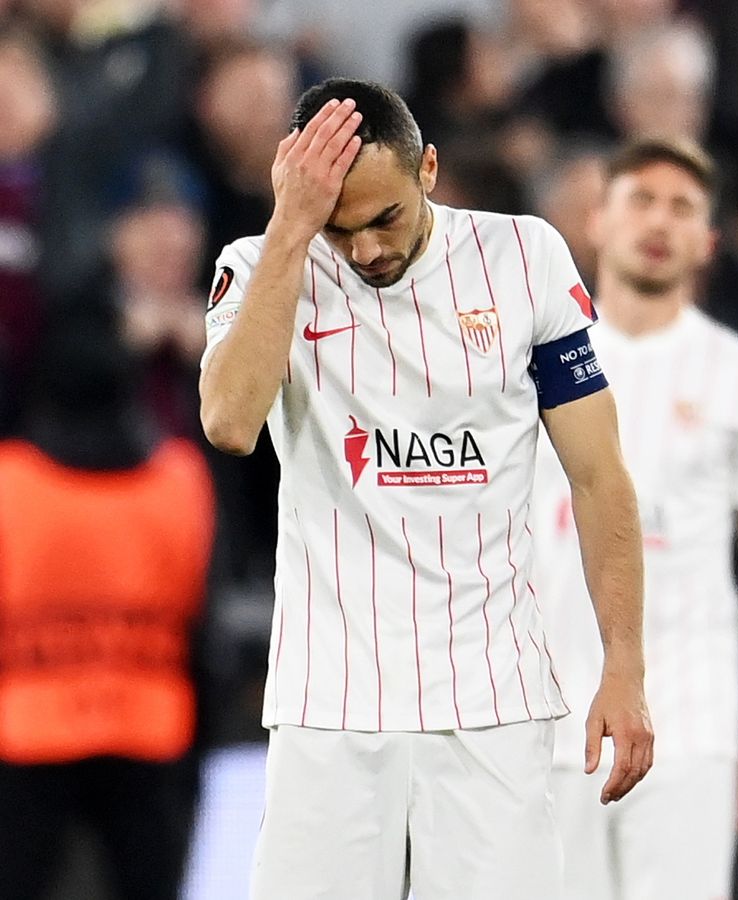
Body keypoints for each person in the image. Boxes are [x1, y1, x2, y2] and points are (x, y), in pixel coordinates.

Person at [196, 79, 652, 898]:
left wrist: (624, 666)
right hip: (328, 701)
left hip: (493, 699)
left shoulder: (526, 259)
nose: (367, 250)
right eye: (343, 229)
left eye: (386, 219)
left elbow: (598, 474)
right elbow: (229, 422)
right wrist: (294, 230)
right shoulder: (260, 266)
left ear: (430, 169)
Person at [531, 138, 738, 900]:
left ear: (709, 241)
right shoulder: (532, 363)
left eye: (683, 207)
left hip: (691, 725)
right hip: (545, 726)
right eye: (641, 200)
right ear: (597, 221)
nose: (660, 221)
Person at [0, 323, 213, 900]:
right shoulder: (180, 478)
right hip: (150, 728)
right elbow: (203, 624)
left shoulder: (9, 481)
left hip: (25, 732)